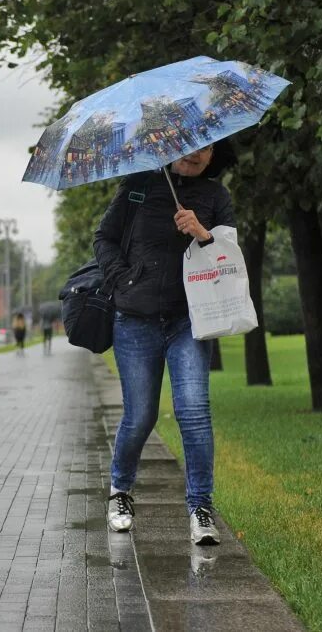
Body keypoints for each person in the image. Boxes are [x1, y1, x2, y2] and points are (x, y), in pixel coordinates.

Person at [93, 142, 236, 546]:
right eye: (190, 147)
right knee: (140, 416)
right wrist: (124, 279)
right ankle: (120, 491)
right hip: (135, 320)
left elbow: (230, 258)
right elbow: (103, 239)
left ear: (214, 154)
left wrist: (203, 234)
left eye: (206, 148)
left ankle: (200, 509)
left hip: (189, 320)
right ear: (173, 148)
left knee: (193, 411)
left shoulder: (216, 196)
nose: (196, 154)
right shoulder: (138, 185)